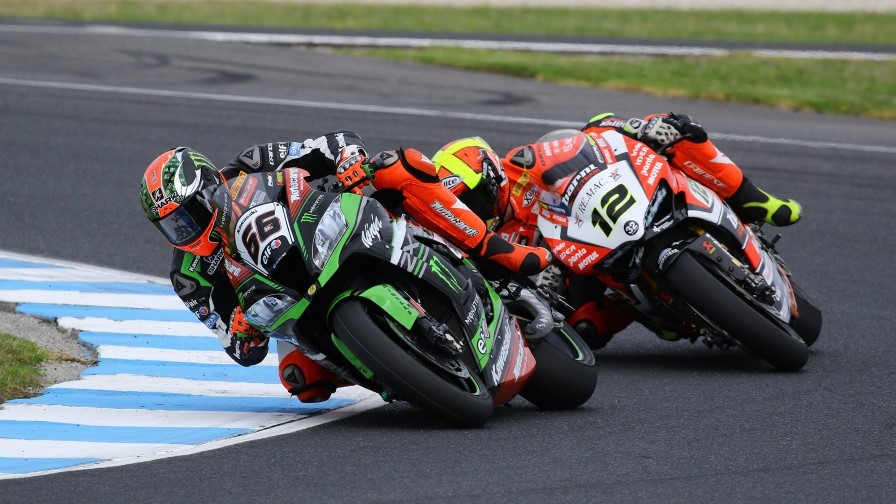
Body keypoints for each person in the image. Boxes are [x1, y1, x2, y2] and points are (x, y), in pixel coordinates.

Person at [139, 131, 551, 403]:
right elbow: (233, 343)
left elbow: (332, 143)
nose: (187, 228)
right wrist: (240, 333)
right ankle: (399, 367)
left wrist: (348, 160)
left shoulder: (249, 164)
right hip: (288, 299)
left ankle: (495, 252)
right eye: (173, 224)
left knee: (396, 165)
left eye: (190, 213)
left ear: (210, 183)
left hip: (327, 230)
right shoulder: (188, 276)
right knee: (300, 379)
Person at [429, 112, 803, 349]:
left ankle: (753, 199)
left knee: (679, 128)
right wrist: (542, 282)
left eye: (474, 200)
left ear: (491, 176)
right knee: (584, 329)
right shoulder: (492, 238)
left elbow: (594, 132)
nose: (474, 213)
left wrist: (636, 129)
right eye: (464, 209)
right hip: (586, 259)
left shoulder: (524, 162)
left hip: (621, 206)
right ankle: (651, 309)